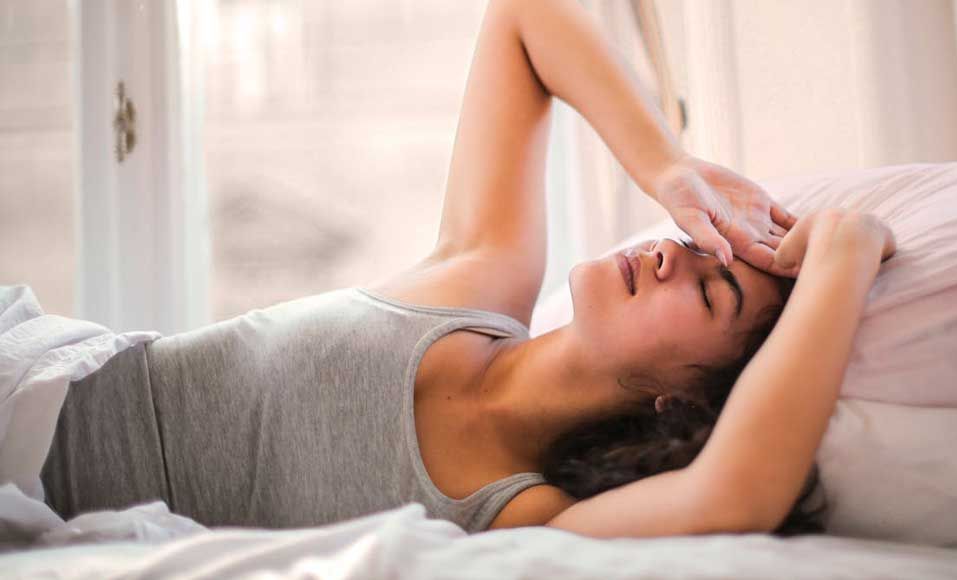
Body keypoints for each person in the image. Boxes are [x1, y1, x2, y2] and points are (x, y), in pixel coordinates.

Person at [39, 0, 895, 538]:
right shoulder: (477, 281)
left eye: (711, 290)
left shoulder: (517, 511)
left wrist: (844, 256)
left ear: (682, 399)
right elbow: (525, 15)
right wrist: (667, 166)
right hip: (35, 380)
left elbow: (735, 494)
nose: (675, 251)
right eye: (698, 245)